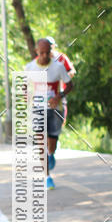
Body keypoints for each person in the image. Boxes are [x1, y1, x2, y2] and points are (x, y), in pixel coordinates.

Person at [25, 37, 75, 190]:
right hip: (38, 109)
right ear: (36, 51)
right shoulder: (30, 67)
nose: (45, 56)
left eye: (47, 52)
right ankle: (47, 177)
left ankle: (51, 153)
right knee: (41, 141)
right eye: (42, 53)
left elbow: (70, 85)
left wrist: (59, 96)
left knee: (51, 143)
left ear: (50, 51)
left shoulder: (58, 66)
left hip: (55, 109)